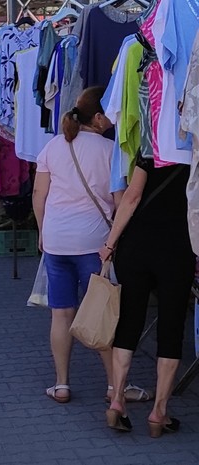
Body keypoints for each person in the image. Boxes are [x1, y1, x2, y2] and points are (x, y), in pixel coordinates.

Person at [33, 86, 151, 406]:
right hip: (94, 243)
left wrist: (43, 232)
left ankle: (61, 384)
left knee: (61, 314)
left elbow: (39, 195)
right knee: (102, 314)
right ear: (98, 117)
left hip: (56, 241)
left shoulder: (52, 147)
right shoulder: (111, 150)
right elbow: (119, 201)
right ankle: (115, 387)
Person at [100, 147, 194, 434]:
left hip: (136, 246)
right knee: (171, 327)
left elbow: (132, 197)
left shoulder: (152, 148)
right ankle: (159, 412)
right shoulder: (196, 154)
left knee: (128, 321)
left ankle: (117, 400)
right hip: (177, 249)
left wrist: (110, 243)